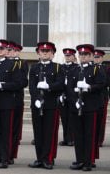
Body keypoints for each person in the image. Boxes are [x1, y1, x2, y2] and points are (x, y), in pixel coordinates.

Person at [0, 39, 25, 169]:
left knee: (6, 131)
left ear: (6, 50)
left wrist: (2, 86)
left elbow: (19, 83)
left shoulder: (13, 65)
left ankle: (5, 158)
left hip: (7, 103)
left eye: (3, 49)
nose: (0, 51)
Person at [67, 44, 106, 171]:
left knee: (89, 134)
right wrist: (74, 101)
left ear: (90, 56)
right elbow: (69, 88)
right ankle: (80, 160)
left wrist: (89, 87)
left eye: (86, 55)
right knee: (78, 135)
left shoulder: (96, 69)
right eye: (81, 55)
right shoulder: (74, 70)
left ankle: (88, 162)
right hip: (77, 107)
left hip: (90, 107)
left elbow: (101, 84)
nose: (83, 57)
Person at [28, 41, 65, 169]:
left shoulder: (57, 67)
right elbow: (32, 86)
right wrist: (36, 98)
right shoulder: (34, 68)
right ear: (38, 53)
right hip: (37, 105)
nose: (44, 53)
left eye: (47, 51)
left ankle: (48, 159)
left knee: (49, 133)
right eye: (42, 51)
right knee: (38, 133)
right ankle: (39, 158)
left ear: (52, 54)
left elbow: (61, 84)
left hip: (51, 105)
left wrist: (49, 86)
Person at [59, 48, 77, 147]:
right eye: (66, 56)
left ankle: (71, 139)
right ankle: (66, 139)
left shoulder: (77, 67)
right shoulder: (61, 67)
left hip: (72, 96)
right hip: (63, 96)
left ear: (74, 57)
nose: (68, 57)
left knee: (71, 119)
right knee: (64, 118)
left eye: (70, 56)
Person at [93, 49, 109, 150]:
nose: (96, 59)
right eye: (95, 57)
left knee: (101, 119)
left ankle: (99, 140)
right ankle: (92, 139)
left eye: (98, 57)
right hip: (91, 97)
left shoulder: (106, 68)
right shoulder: (90, 68)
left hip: (102, 96)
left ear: (102, 58)